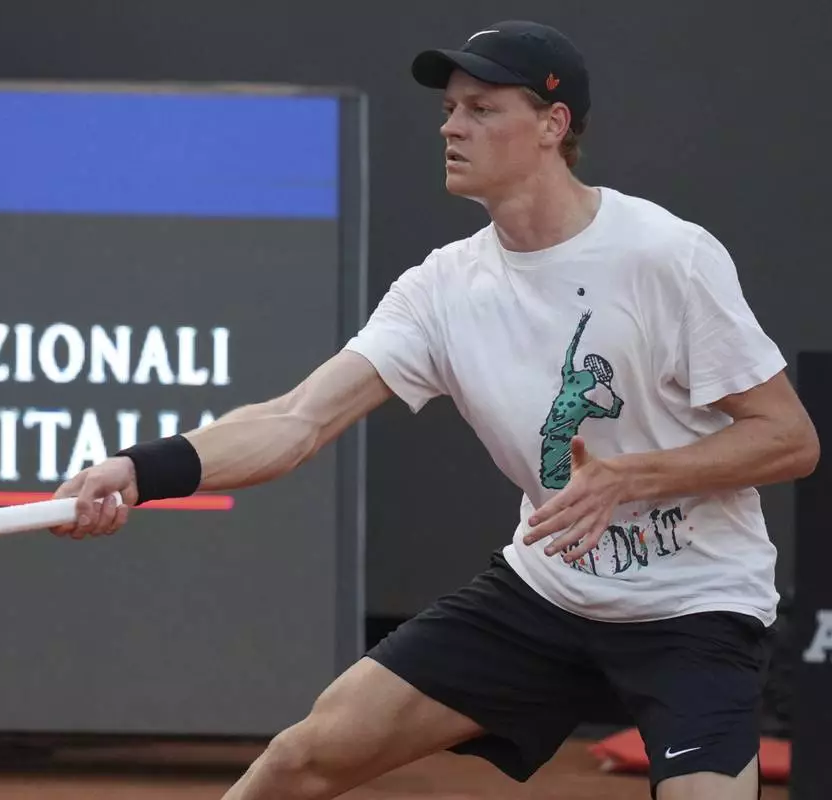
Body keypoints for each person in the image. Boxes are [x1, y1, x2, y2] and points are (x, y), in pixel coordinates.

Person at [50, 20, 819, 800]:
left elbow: (789, 439)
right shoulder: (441, 288)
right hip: (546, 592)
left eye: (482, 109)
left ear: (553, 126)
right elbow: (295, 420)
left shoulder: (666, 255)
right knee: (299, 759)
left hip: (695, 606)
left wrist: (631, 477)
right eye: (450, 108)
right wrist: (139, 470)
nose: (452, 126)